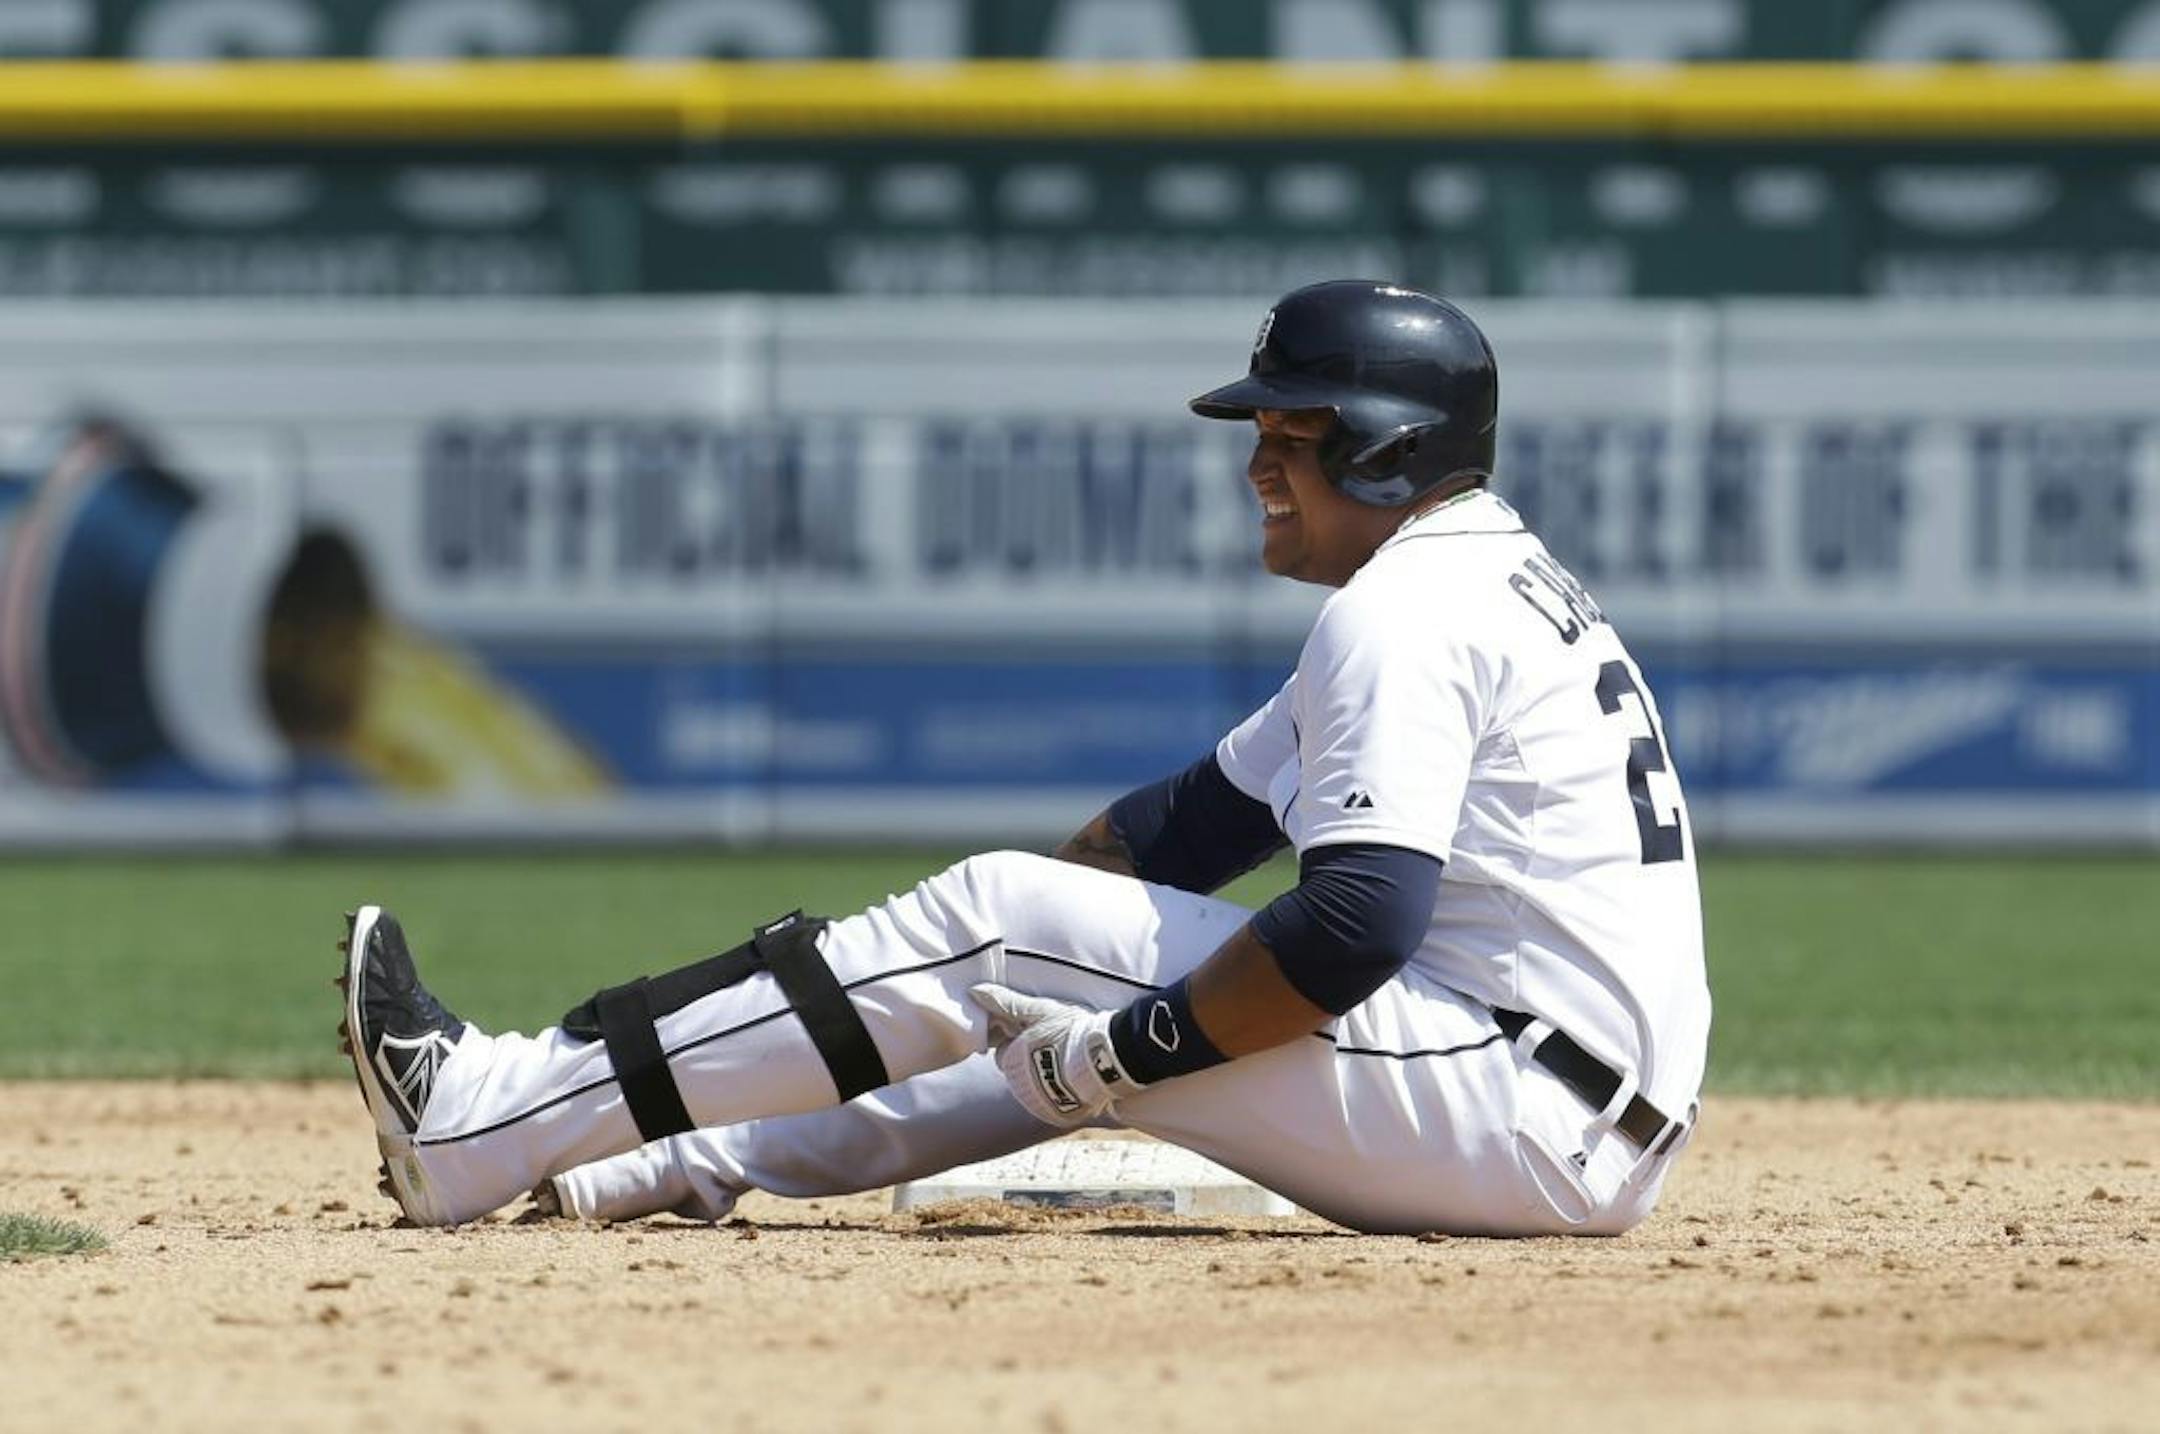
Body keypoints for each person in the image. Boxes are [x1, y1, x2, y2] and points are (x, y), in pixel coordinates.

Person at [337, 280, 1710, 1236]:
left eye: (1294, 436)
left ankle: (484, 1116)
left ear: (1388, 453)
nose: (1258, 467)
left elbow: (1354, 925)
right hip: (1548, 1104)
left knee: (1003, 929)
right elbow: (1181, 833)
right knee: (1012, 963)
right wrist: (1020, 997)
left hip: (1507, 1103)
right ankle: (669, 1152)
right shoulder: (1476, 580)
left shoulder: (1405, 610)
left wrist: (1118, 1046)